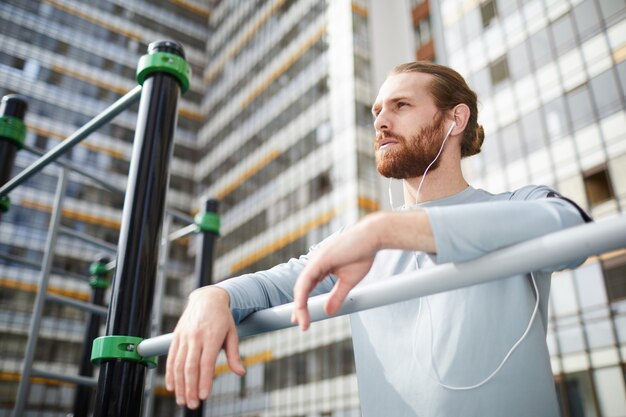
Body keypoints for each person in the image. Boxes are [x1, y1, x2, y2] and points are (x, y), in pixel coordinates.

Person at [166, 61, 589, 416]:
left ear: (455, 119)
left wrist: (384, 229)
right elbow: (275, 284)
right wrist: (211, 296)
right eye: (376, 111)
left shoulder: (519, 204)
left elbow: (571, 227)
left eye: (401, 105)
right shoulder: (360, 245)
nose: (381, 122)